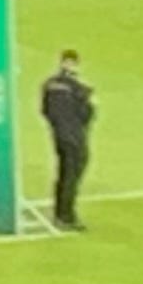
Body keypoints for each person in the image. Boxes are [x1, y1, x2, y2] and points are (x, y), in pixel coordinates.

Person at [39, 50, 96, 229]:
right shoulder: (80, 89)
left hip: (59, 136)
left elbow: (45, 111)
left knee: (63, 173)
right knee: (72, 175)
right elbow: (87, 115)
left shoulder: (49, 84)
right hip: (75, 137)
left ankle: (60, 213)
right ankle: (66, 216)